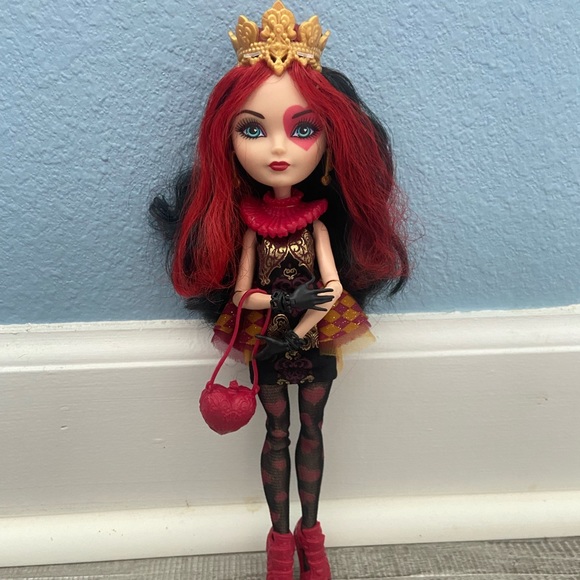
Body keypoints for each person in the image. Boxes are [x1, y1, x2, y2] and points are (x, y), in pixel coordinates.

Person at [150, 2, 409, 578]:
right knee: (276, 432)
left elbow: (332, 288)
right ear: (227, 142)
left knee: (311, 429)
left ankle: (312, 538)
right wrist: (283, 306)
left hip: (309, 338)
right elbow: (242, 296)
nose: (278, 149)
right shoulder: (249, 230)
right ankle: (278, 542)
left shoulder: (318, 227)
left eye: (303, 129)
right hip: (267, 337)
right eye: (253, 129)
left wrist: (300, 324)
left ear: (330, 141)